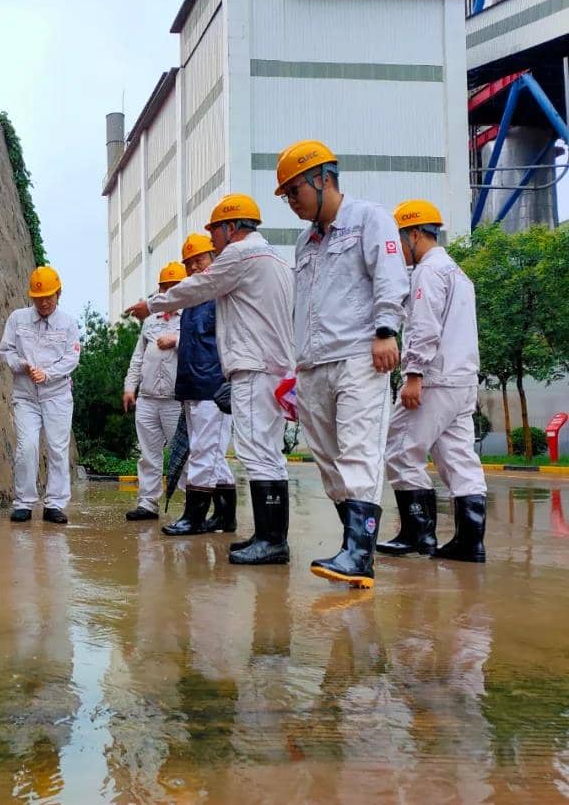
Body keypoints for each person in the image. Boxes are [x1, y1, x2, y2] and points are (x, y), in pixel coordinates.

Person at [127, 195, 295, 565]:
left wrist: (152, 304)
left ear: (231, 227)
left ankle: (269, 540)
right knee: (266, 451)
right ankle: (269, 537)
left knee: (254, 452)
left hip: (251, 368)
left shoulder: (239, 255)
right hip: (271, 366)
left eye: (214, 232)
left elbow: (198, 287)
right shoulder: (276, 259)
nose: (213, 241)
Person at [276, 140, 409, 588]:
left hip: (358, 356)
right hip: (313, 364)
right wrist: (295, 365)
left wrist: (386, 330)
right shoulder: (304, 243)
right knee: (328, 459)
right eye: (286, 196)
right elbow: (303, 307)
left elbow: (390, 275)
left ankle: (359, 555)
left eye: (295, 192)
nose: (292, 202)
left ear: (323, 179)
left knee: (358, 451)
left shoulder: (369, 219)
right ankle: (351, 547)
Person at [379, 200, 487, 562]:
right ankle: (470, 542)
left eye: (398, 240)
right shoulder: (457, 272)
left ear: (413, 235)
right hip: (462, 380)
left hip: (434, 379)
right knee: (459, 459)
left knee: (400, 450)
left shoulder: (428, 272)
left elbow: (424, 328)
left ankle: (417, 534)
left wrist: (413, 374)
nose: (398, 250)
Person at [127, 233, 235, 537]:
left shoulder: (220, 296)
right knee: (208, 453)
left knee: (202, 452)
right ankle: (224, 517)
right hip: (190, 388)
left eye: (200, 259)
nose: (195, 267)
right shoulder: (191, 303)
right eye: (190, 263)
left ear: (213, 258)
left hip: (212, 387)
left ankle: (195, 516)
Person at [0, 264, 81, 524]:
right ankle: (24, 503)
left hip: (57, 396)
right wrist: (21, 365)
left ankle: (54, 504)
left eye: (48, 297)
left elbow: (72, 358)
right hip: (26, 397)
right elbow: (6, 350)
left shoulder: (68, 324)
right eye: (38, 298)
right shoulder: (17, 319)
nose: (44, 303)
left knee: (57, 449)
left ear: (58, 294)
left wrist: (48, 374)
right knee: (27, 446)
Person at [122, 262, 186, 520]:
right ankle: (147, 503)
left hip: (175, 400)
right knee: (148, 455)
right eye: (165, 288)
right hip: (147, 399)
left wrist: (176, 341)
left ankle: (193, 507)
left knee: (183, 455)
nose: (168, 292)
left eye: (174, 287)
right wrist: (130, 387)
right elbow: (138, 357)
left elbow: (201, 347)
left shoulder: (190, 316)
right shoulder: (151, 320)